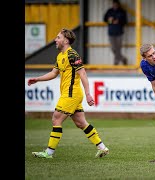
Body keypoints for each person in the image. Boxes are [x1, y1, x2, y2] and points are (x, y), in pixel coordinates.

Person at [28, 28, 109, 159]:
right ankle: (102, 148)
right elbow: (54, 73)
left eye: (58, 37)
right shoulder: (60, 56)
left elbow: (82, 73)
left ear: (65, 40)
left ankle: (49, 152)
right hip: (71, 94)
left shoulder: (72, 54)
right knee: (81, 123)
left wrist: (88, 94)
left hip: (71, 94)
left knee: (56, 119)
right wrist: (37, 79)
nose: (55, 40)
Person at [103, 0, 128, 65]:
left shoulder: (122, 11)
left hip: (119, 33)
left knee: (118, 48)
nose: (115, 5)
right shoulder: (109, 11)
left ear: (118, 4)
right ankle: (123, 59)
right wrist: (109, 19)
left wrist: (119, 21)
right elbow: (104, 19)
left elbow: (125, 22)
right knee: (113, 48)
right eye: (114, 4)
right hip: (111, 32)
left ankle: (116, 62)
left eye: (116, 4)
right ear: (113, 4)